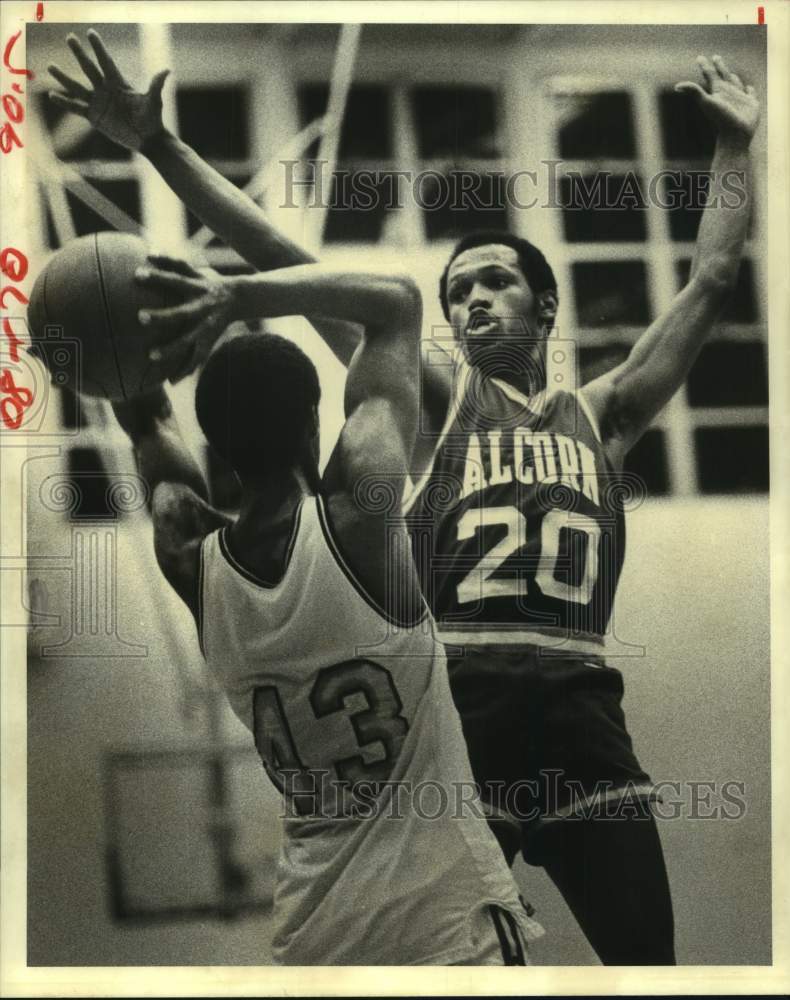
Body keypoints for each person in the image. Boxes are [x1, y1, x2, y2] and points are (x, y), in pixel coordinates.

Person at [48, 34, 760, 964]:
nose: (470, 300)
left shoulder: (607, 412)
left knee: (650, 966)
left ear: (546, 309)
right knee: (451, 936)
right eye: (458, 289)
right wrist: (163, 149)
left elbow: (709, 282)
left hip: (586, 714)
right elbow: (286, 254)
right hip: (464, 720)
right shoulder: (436, 398)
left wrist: (734, 147)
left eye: (496, 281)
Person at [106, 257, 541, 965]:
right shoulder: (360, 522)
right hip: (445, 931)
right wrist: (232, 293)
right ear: (315, 420)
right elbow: (396, 303)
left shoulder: (187, 554)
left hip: (316, 943)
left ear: (214, 442)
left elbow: (146, 416)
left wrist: (106, 333)